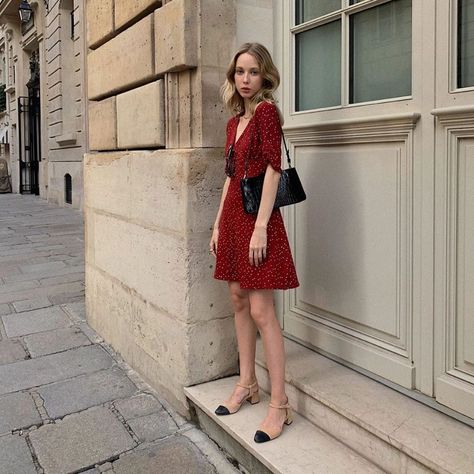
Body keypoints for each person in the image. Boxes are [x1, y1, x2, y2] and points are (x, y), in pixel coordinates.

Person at [209, 43, 299, 443]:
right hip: (232, 218)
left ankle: (279, 403)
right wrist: (215, 225)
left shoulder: (266, 113)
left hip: (256, 219)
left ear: (265, 76)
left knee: (263, 309)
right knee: (238, 298)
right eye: (240, 72)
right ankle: (247, 384)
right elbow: (230, 176)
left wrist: (262, 226)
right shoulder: (234, 122)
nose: (245, 79)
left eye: (253, 72)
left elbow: (273, 170)